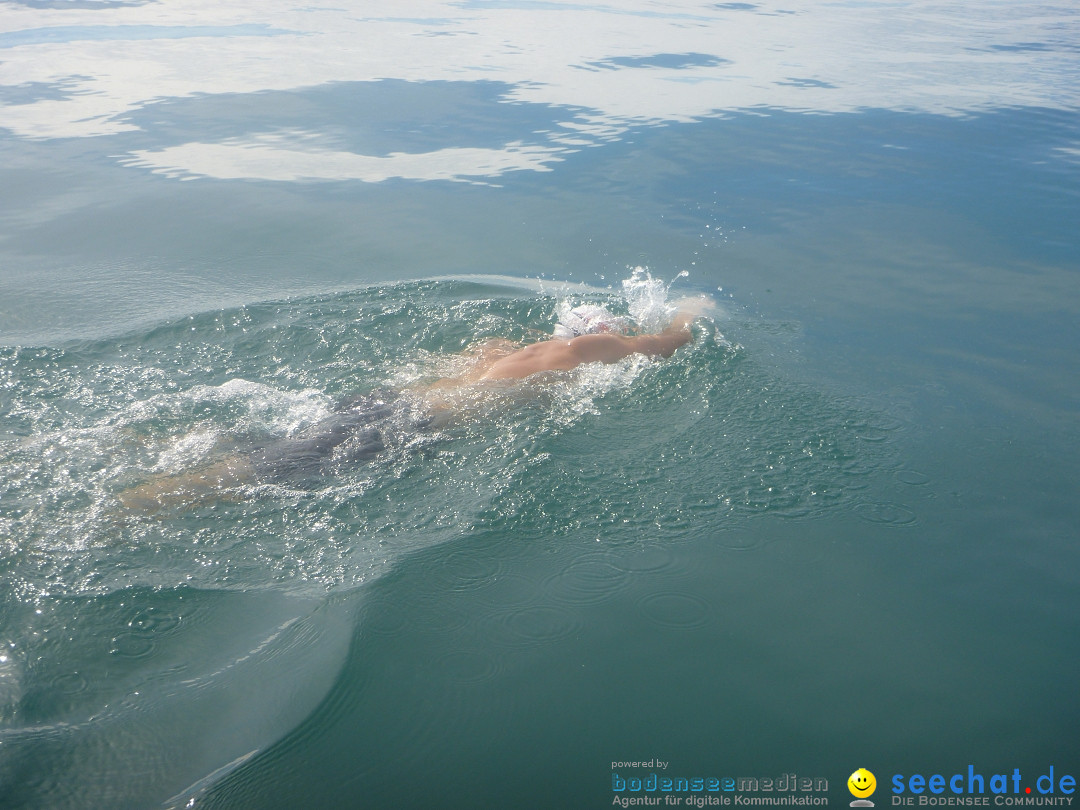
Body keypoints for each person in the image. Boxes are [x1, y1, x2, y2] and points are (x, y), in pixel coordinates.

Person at [117, 296, 711, 511]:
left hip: (390, 400)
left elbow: (433, 375)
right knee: (255, 473)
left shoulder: (497, 350)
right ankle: (132, 507)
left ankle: (134, 449)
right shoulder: (591, 348)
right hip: (418, 422)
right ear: (599, 331)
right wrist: (690, 310)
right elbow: (669, 342)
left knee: (272, 448)